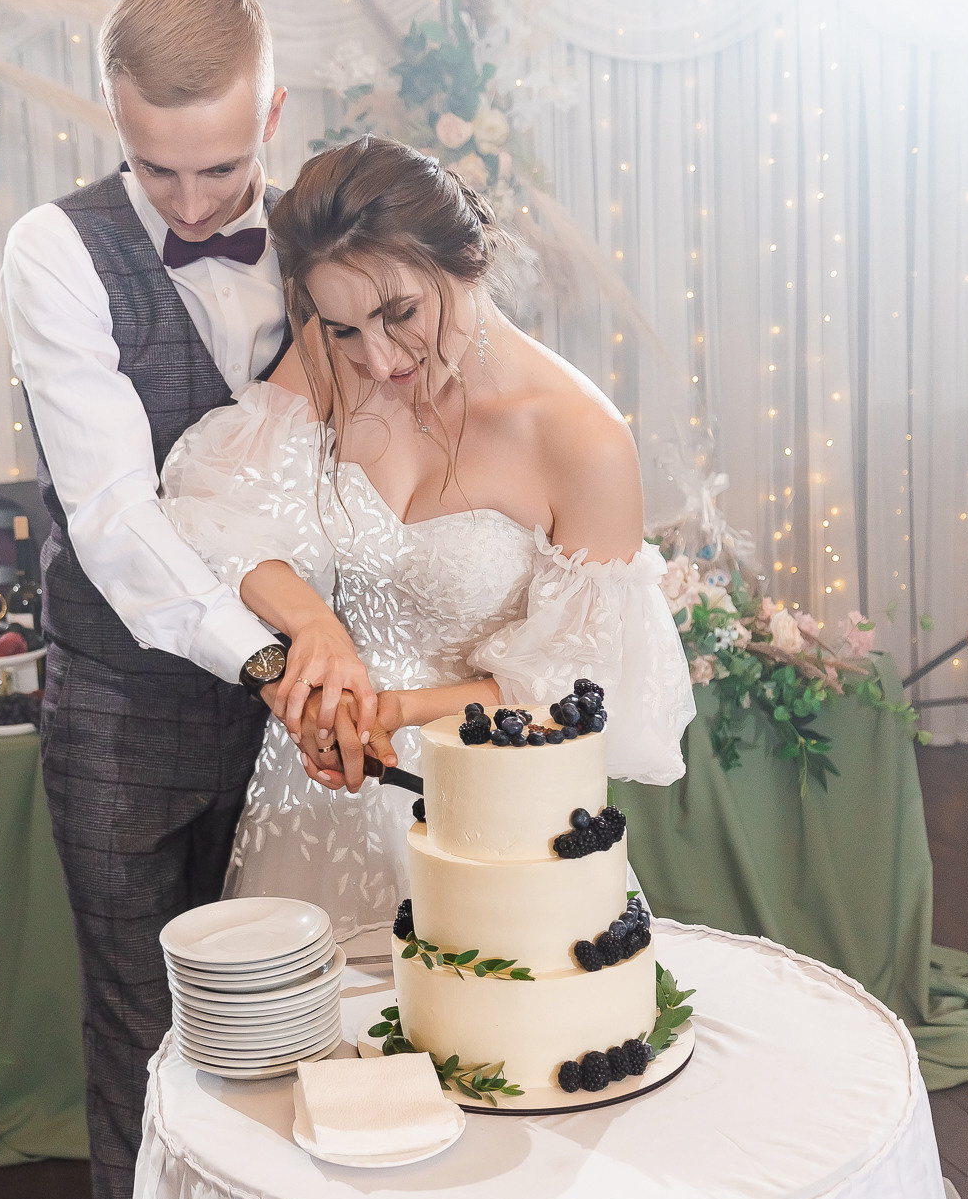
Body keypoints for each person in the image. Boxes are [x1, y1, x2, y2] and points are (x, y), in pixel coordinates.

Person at [0, 0, 371, 1199]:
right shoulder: (54, 248)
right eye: (162, 172)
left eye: (225, 165)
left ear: (273, 109)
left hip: (301, 725)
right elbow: (115, 515)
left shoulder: (331, 231)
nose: (199, 203)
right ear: (115, 114)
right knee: (144, 1042)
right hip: (125, 715)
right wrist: (274, 655)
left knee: (301, 1030)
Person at [162, 135, 699, 942]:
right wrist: (315, 627)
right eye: (343, 328)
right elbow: (212, 498)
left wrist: (396, 711)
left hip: (479, 804)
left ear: (468, 261)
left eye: (399, 314)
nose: (375, 359)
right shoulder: (329, 359)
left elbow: (572, 692)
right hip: (312, 792)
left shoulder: (581, 439)